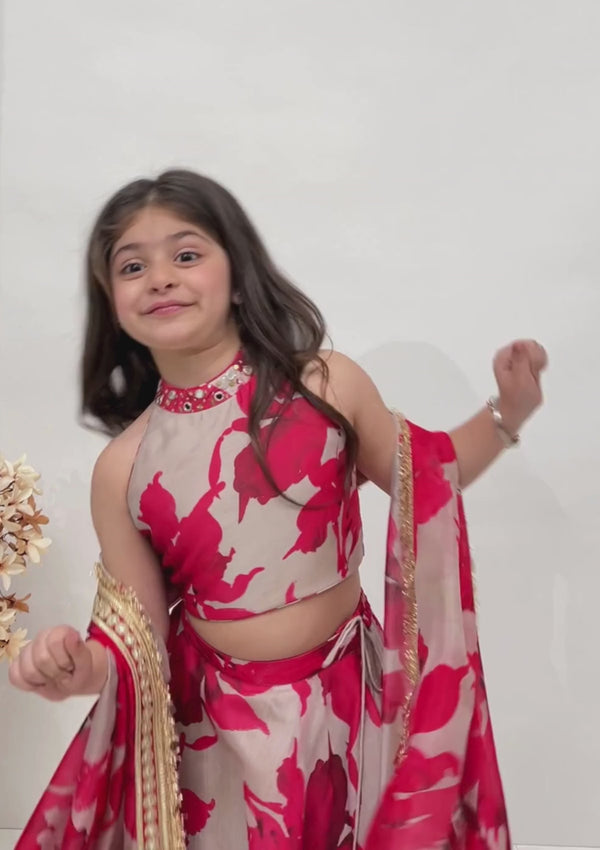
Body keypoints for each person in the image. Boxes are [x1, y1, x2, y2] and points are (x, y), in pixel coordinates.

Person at [9, 169, 547, 850]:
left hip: (353, 701)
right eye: (132, 266)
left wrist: (507, 413)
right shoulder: (123, 468)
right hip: (220, 736)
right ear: (111, 303)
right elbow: (134, 641)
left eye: (185, 254)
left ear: (238, 275)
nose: (160, 278)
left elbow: (429, 476)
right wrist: (77, 667)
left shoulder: (324, 386)